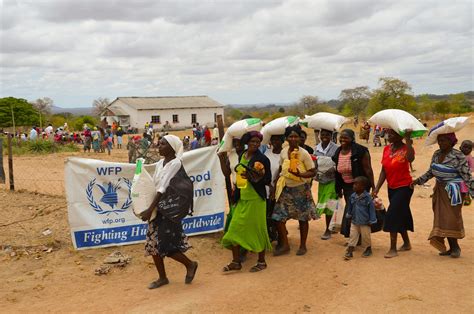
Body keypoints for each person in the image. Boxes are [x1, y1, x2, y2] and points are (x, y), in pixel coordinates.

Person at [140, 135, 198, 288]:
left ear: (172, 147)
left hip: (169, 211)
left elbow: (162, 188)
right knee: (153, 244)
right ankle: (162, 278)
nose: (159, 146)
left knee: (166, 245)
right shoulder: (160, 163)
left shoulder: (175, 163)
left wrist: (149, 209)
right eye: (159, 144)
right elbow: (153, 184)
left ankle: (190, 264)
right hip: (159, 208)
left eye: (163, 144)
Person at [412, 133, 473, 258]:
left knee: (451, 218)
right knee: (442, 218)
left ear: (452, 142)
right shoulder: (436, 154)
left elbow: (467, 176)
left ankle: (455, 248)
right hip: (439, 190)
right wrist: (418, 181)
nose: (441, 143)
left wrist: (472, 192)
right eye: (439, 140)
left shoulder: (458, 155)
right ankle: (451, 247)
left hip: (453, 192)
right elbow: (431, 172)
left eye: (444, 140)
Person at [221, 131, 272, 272]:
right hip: (242, 198)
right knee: (234, 229)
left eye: (258, 142)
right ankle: (236, 262)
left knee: (258, 230)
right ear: (247, 142)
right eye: (252, 141)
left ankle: (261, 262)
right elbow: (238, 179)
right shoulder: (242, 155)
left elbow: (267, 180)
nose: (255, 144)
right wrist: (235, 198)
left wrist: (253, 176)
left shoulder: (262, 159)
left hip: (256, 200)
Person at [272, 125, 318, 256]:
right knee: (278, 218)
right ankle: (285, 245)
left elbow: (312, 172)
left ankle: (303, 245)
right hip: (285, 188)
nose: (293, 138)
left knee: (303, 218)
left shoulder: (304, 154)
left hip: (301, 189)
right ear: (286, 138)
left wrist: (299, 175)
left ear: (299, 138)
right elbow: (281, 169)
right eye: (290, 136)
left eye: (296, 136)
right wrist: (275, 186)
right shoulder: (283, 151)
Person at [372, 129, 415, 258]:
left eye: (392, 134)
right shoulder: (386, 149)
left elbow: (411, 158)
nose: (388, 136)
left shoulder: (406, 148)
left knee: (392, 214)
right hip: (392, 187)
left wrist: (408, 139)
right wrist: (377, 188)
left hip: (405, 187)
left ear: (399, 135)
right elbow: (383, 171)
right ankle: (406, 243)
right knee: (400, 214)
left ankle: (393, 248)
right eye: (388, 133)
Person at [333, 129, 375, 239]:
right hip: (346, 186)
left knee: (352, 210)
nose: (342, 139)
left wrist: (374, 187)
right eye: (341, 137)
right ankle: (357, 237)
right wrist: (338, 189)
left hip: (360, 186)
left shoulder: (360, 151)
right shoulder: (338, 152)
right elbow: (337, 172)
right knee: (353, 211)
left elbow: (368, 170)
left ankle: (354, 237)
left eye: (346, 137)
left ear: (352, 139)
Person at [314, 129, 339, 240]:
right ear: (319, 135)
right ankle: (332, 226)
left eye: (327, 135)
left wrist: (332, 168)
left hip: (332, 180)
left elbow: (339, 163)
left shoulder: (336, 148)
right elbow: (314, 163)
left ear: (331, 136)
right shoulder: (316, 149)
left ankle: (328, 230)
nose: (324, 136)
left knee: (330, 204)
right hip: (322, 181)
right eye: (322, 134)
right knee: (324, 204)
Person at [344, 176, 377, 260]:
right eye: (353, 184)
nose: (353, 186)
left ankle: (368, 248)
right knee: (352, 236)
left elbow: (371, 209)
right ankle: (350, 250)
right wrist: (348, 215)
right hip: (354, 221)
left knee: (366, 237)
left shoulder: (368, 197)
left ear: (363, 187)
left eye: (356, 184)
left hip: (365, 222)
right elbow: (350, 207)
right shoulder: (352, 196)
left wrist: (372, 220)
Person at [264, 134, 284, 244]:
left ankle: (278, 235)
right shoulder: (267, 153)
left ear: (282, 141)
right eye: (273, 139)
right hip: (266, 188)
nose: (275, 141)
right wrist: (269, 185)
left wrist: (274, 187)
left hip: (278, 190)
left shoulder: (284, 155)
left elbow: (282, 173)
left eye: (278, 139)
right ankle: (270, 235)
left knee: (276, 214)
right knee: (267, 213)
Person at [460, 140, 473, 205]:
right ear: (460, 147)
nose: (466, 149)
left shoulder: (469, 157)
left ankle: (467, 197)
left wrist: (467, 172)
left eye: (469, 148)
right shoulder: (458, 155)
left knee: (464, 185)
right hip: (457, 173)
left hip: (465, 175)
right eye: (465, 147)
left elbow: (472, 167)